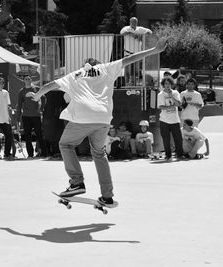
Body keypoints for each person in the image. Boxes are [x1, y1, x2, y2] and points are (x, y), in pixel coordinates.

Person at [31, 37, 168, 206]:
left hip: (82, 116)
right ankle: (107, 196)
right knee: (99, 154)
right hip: (103, 118)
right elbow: (130, 59)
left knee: (66, 145)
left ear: (85, 65)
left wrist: (36, 96)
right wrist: (155, 50)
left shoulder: (75, 74)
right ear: (97, 63)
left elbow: (50, 85)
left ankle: (77, 182)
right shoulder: (106, 68)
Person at [16, 74, 46, 158]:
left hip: (36, 116)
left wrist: (41, 109)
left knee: (39, 134)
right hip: (26, 116)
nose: (28, 80)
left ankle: (44, 153)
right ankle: (30, 154)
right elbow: (19, 105)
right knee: (27, 136)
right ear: (24, 80)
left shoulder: (36, 89)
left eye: (29, 79)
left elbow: (44, 98)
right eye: (26, 79)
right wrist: (17, 119)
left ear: (31, 80)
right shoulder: (21, 92)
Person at [157, 76, 184, 160]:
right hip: (164, 120)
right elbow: (161, 107)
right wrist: (172, 106)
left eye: (169, 83)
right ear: (163, 85)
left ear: (171, 84)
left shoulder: (175, 93)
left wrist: (171, 96)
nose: (167, 85)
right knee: (166, 139)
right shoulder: (160, 94)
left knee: (178, 139)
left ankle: (180, 154)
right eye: (165, 84)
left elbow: (179, 104)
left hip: (175, 120)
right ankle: (168, 155)